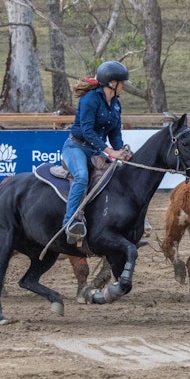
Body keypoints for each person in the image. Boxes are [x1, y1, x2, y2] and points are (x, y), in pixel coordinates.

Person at [61, 61, 130, 243]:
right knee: (82, 177)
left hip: (94, 151)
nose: (124, 86)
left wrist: (120, 151)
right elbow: (87, 131)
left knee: (115, 178)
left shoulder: (115, 104)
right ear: (112, 83)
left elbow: (115, 132)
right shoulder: (89, 99)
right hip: (75, 147)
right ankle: (69, 223)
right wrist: (109, 151)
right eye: (122, 82)